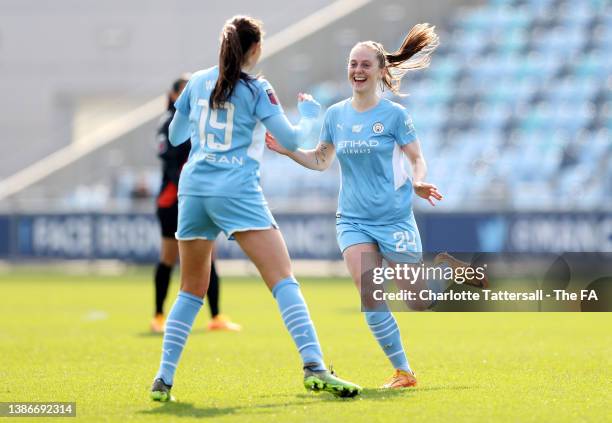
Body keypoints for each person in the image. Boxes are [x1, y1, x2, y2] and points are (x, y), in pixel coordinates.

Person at [150, 15, 362, 402]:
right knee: (282, 278)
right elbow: (290, 138)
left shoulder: (196, 81)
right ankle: (314, 366)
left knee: (190, 289)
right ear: (255, 49)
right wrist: (312, 116)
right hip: (236, 190)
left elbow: (178, 135)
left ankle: (163, 378)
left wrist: (200, 122)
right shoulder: (257, 88)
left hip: (194, 189)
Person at [266, 23, 487, 389]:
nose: (357, 71)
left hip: (394, 219)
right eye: (353, 64)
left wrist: (418, 182)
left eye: (365, 65)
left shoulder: (396, 116)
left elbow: (417, 159)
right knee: (368, 288)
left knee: (418, 302)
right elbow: (321, 161)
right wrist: (288, 150)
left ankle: (446, 273)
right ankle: (403, 371)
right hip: (352, 219)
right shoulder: (336, 115)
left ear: (381, 71)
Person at [151, 76, 241, 334]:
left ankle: (216, 316)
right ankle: (158, 315)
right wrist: (193, 186)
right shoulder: (169, 124)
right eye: (185, 92)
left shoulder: (201, 120)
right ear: (173, 95)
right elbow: (170, 165)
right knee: (168, 257)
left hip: (198, 196)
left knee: (210, 257)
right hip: (173, 200)